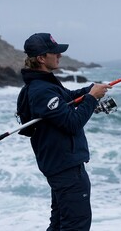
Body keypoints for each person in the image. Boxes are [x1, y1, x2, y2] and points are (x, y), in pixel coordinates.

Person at [18, 33, 111, 230]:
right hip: (66, 169)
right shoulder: (41, 90)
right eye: (55, 53)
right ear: (41, 58)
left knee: (59, 223)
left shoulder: (44, 84)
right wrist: (92, 99)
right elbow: (71, 122)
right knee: (76, 225)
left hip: (60, 166)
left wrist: (90, 90)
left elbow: (67, 98)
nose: (59, 56)